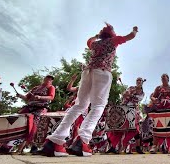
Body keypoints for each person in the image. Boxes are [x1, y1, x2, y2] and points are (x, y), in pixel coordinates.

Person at [42, 23, 138, 157]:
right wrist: (135, 30)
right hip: (102, 73)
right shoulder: (113, 41)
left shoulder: (95, 44)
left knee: (79, 106)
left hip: (87, 72)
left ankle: (55, 141)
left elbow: (89, 41)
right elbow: (130, 36)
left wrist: (96, 36)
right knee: (98, 105)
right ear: (111, 34)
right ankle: (82, 141)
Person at [16, 75, 56, 154]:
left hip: (40, 108)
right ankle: (10, 142)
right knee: (18, 118)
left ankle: (22, 147)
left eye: (50, 79)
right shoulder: (35, 88)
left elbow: (51, 97)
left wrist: (40, 97)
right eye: (47, 78)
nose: (48, 80)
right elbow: (27, 98)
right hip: (30, 106)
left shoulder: (51, 87)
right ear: (44, 79)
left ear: (52, 81)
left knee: (33, 125)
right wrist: (20, 96)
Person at [107, 77, 145, 154]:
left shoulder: (142, 93)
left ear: (142, 82)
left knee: (134, 128)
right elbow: (124, 95)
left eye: (140, 80)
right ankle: (113, 147)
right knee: (119, 127)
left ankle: (137, 147)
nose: (138, 81)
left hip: (132, 110)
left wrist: (130, 95)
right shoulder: (131, 87)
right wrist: (125, 94)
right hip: (123, 108)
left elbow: (137, 99)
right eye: (137, 80)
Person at [149, 74, 170, 153]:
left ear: (168, 79)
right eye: (162, 78)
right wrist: (154, 99)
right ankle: (155, 146)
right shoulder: (158, 88)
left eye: (165, 78)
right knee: (157, 127)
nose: (163, 79)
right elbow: (153, 96)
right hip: (160, 109)